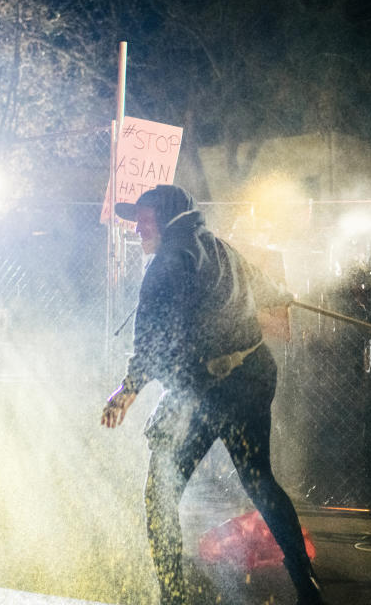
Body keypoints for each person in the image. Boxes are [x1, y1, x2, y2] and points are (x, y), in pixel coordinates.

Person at [101, 184, 325, 605]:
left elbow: (149, 344)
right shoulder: (221, 248)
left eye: (142, 220)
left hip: (206, 390)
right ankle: (306, 585)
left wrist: (124, 394)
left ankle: (172, 595)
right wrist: (283, 295)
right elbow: (268, 290)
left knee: (160, 493)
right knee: (260, 481)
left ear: (165, 218)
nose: (136, 230)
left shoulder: (166, 264)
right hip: (252, 377)